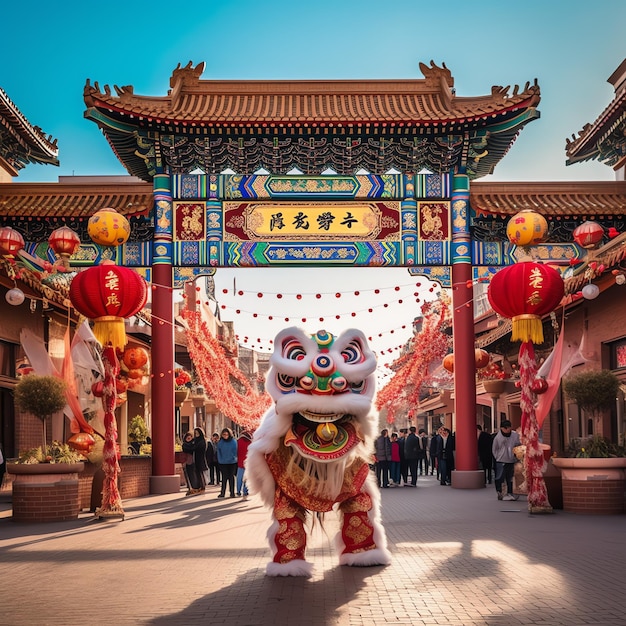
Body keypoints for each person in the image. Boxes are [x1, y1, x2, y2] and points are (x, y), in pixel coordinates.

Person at [492, 420, 521, 501]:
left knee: (510, 477)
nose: (507, 429)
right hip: (501, 460)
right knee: (500, 477)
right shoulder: (498, 437)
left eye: (509, 427)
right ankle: (500, 492)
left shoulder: (515, 435)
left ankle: (510, 492)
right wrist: (498, 457)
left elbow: (519, 445)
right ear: (502, 428)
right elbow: (494, 449)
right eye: (505, 428)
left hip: (512, 459)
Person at [217, 427, 238, 498]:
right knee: (224, 478)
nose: (225, 436)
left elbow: (236, 451)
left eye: (226, 434)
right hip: (223, 462)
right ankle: (222, 492)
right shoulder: (220, 442)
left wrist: (234, 458)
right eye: (224, 434)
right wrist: (220, 460)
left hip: (232, 462)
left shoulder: (233, 441)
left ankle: (232, 493)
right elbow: (218, 452)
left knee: (231, 477)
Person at [236, 430, 252, 499]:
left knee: (239, 478)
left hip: (240, 463)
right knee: (246, 478)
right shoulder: (251, 442)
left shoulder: (238, 441)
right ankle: (245, 492)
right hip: (248, 463)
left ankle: (238, 491)